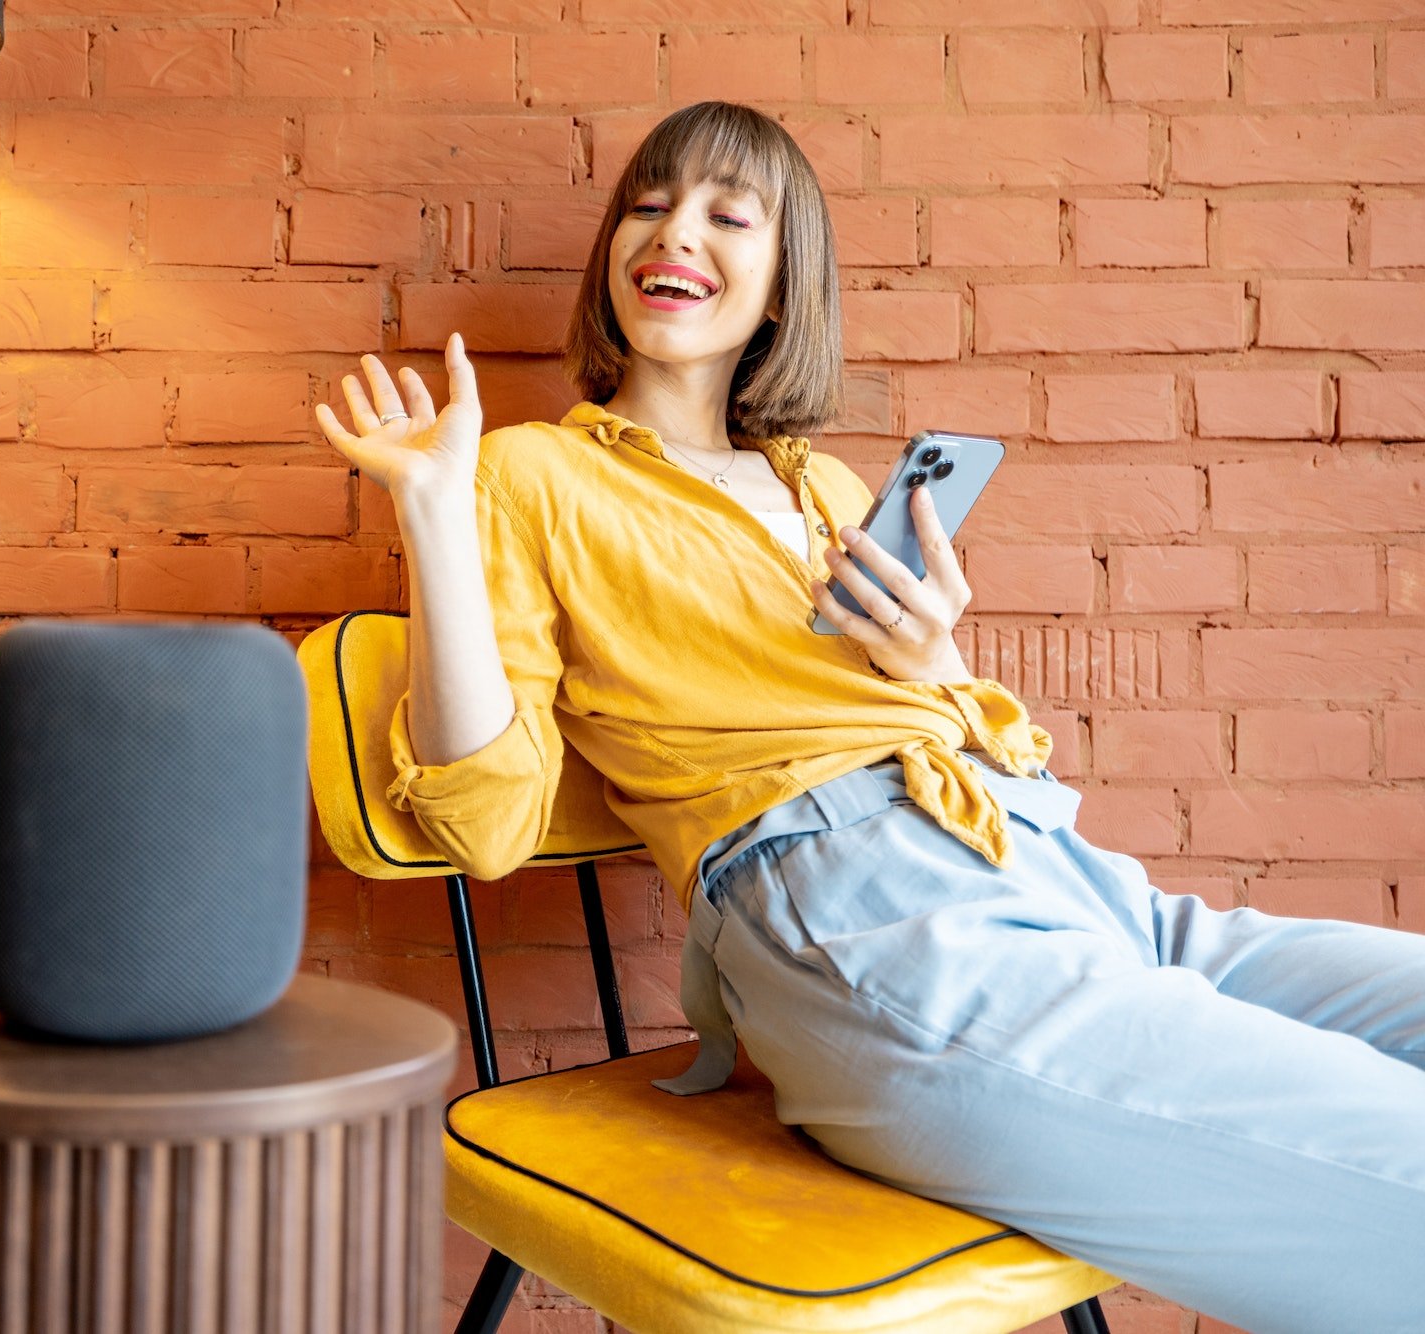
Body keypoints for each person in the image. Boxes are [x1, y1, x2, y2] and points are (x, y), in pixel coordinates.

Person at [313, 100, 1425, 1334]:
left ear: (783, 287)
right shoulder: (533, 475)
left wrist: (932, 653)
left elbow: (947, 733)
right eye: (648, 203)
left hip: (1077, 889)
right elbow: (485, 820)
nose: (672, 230)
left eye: (727, 214)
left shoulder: (829, 485)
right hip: (865, 930)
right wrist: (430, 507)